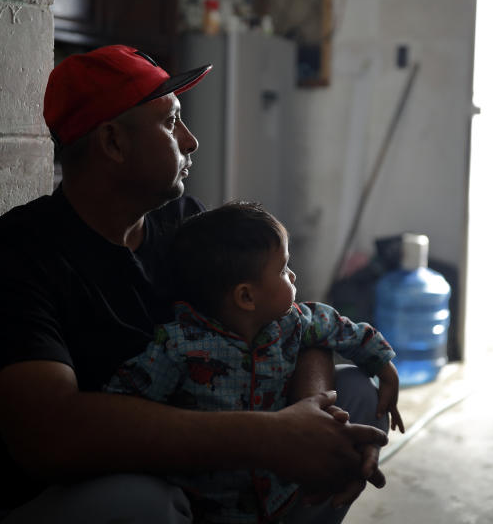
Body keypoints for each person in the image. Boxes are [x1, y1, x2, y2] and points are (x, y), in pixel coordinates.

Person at [0, 44, 390, 523]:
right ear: (114, 143)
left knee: (354, 396)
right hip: (75, 496)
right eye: (170, 122)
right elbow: (48, 436)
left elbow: (287, 319)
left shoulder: (186, 224)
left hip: (199, 476)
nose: (191, 140)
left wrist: (309, 418)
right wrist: (270, 436)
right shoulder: (13, 255)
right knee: (142, 501)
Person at [105, 201, 406, 523]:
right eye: (282, 269)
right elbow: (126, 401)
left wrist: (383, 366)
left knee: (361, 385)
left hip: (283, 492)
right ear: (246, 297)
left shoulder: (294, 322)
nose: (292, 275)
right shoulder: (178, 346)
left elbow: (342, 329)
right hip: (207, 504)